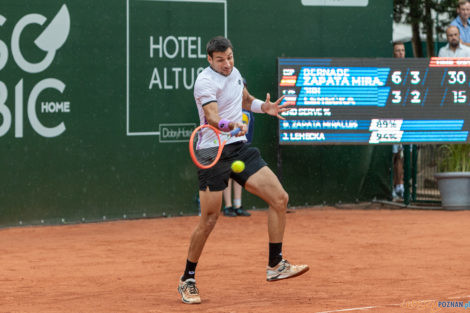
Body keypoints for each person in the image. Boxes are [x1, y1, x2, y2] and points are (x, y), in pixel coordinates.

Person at [178, 36, 309, 304]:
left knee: (280, 199)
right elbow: (213, 117)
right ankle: (187, 279)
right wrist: (229, 125)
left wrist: (266, 108)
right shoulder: (204, 81)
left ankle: (275, 265)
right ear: (209, 60)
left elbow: (246, 100)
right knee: (210, 219)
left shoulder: (235, 73)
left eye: (230, 57)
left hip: (238, 148)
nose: (227, 64)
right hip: (212, 152)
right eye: (220, 60)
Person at [222, 93, 254, 217]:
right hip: (228, 146)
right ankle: (228, 206)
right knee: (228, 176)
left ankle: (238, 205)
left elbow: (250, 129)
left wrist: (246, 143)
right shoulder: (228, 108)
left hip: (242, 146)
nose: (241, 93)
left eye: (244, 89)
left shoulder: (249, 110)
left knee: (239, 176)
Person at [392, 42, 405, 199]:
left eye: (403, 50)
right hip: (393, 118)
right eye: (398, 51)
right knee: (395, 155)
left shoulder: (410, 71)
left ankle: (401, 186)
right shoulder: (390, 70)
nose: (401, 53)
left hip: (406, 119)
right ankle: (395, 186)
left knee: (402, 154)